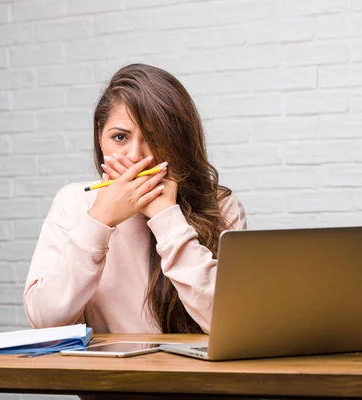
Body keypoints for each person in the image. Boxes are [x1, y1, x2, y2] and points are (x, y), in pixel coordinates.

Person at [23, 63, 246, 334]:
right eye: (120, 137)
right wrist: (100, 220)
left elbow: (229, 324)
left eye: (154, 139)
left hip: (194, 374)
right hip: (106, 373)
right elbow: (46, 322)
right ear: (99, 136)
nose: (135, 156)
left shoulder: (221, 206)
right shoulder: (74, 203)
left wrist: (167, 218)